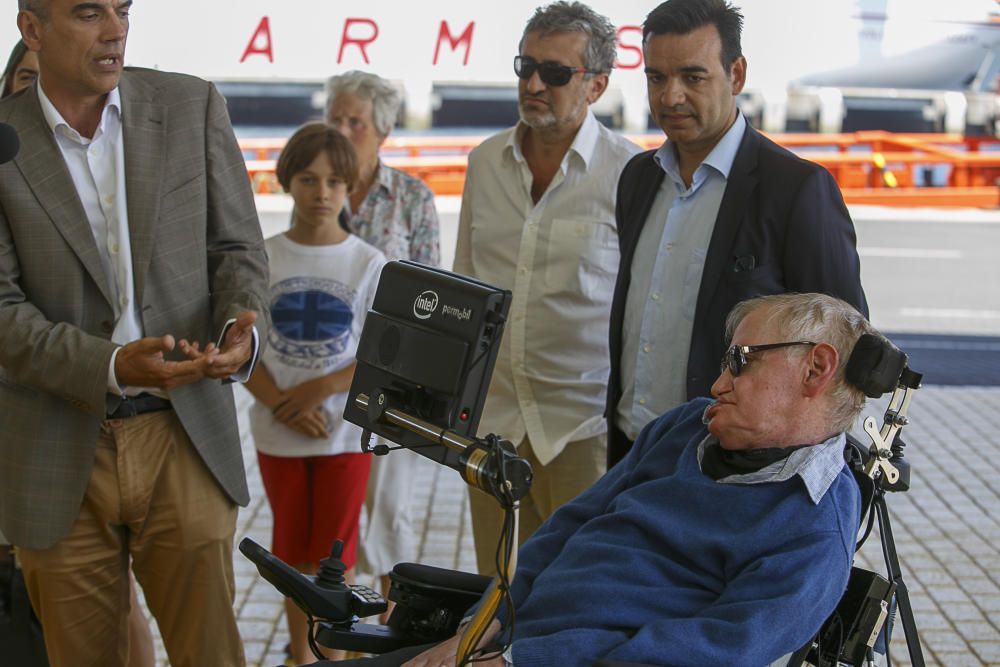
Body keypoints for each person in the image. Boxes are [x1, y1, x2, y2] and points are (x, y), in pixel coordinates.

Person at [327, 292, 870, 666]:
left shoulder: (813, 526)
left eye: (741, 362)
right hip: (506, 640)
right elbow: (569, 525)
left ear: (816, 369)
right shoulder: (687, 427)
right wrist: (478, 627)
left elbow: (710, 654)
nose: (719, 381)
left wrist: (523, 659)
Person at [0, 2, 270, 666]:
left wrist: (242, 320)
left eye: (122, 9)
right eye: (88, 12)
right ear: (32, 30)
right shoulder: (4, 139)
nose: (115, 29)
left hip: (186, 434)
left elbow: (238, 247)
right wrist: (116, 365)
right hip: (55, 450)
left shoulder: (190, 105)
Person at [607, 0, 869, 468]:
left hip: (735, 469)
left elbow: (847, 350)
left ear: (737, 74)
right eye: (656, 78)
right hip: (633, 453)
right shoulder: (637, 179)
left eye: (693, 77)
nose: (670, 97)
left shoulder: (797, 191)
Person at [453, 1, 641, 576]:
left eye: (556, 73)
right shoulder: (484, 163)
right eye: (525, 66)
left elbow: (640, 315)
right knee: (496, 599)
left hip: (582, 429)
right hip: (492, 423)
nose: (534, 83)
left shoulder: (630, 175)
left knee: (576, 599)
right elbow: (464, 288)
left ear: (596, 85)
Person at [245, 123, 386, 665]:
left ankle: (332, 655)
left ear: (350, 187)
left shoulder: (366, 262)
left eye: (334, 181)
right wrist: (281, 400)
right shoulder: (262, 256)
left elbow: (377, 353)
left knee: (335, 556)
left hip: (342, 434)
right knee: (289, 553)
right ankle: (300, 657)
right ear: (287, 182)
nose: (321, 193)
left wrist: (317, 391)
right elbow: (241, 346)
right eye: (308, 179)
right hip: (277, 432)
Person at [325, 69, 441, 615]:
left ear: (383, 130)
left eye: (356, 121)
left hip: (393, 386)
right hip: (323, 385)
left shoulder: (412, 199)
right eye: (335, 119)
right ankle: (331, 635)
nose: (343, 130)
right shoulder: (315, 192)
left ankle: (388, 636)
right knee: (334, 522)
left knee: (390, 515)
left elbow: (434, 298)